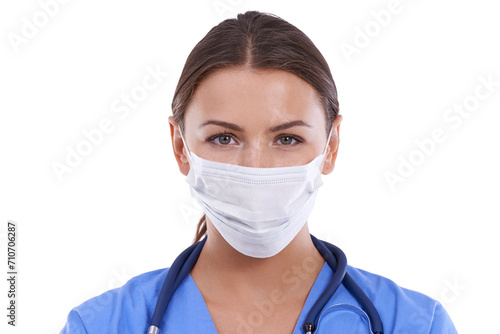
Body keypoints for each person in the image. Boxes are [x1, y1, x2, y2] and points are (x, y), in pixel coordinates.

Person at [59, 10, 457, 334]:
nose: (255, 168)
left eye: (286, 140)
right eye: (223, 139)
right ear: (181, 147)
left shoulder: (413, 325)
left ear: (331, 146)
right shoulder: (102, 326)